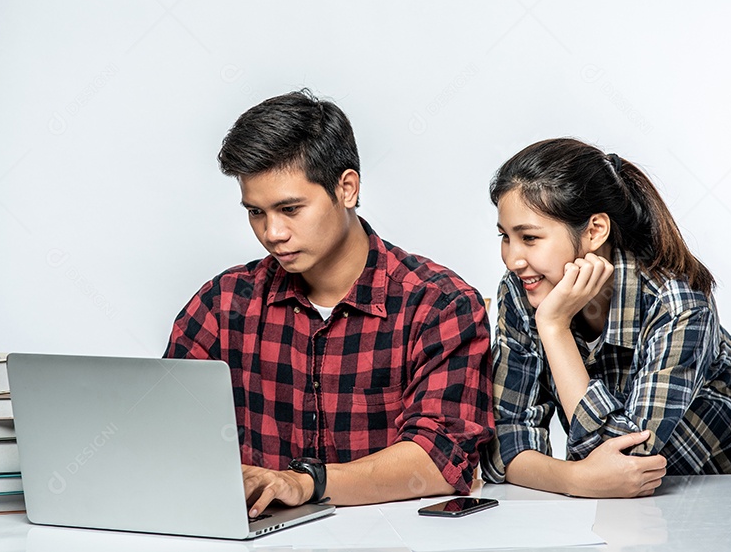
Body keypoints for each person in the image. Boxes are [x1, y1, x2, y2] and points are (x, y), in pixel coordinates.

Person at [165, 90, 494, 518]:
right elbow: (165, 436)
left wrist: (305, 483)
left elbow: (441, 460)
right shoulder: (222, 304)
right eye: (256, 212)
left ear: (347, 188)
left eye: (290, 208)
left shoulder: (439, 304)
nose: (272, 233)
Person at [483, 138, 731, 498]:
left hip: (722, 497)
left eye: (529, 237)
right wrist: (574, 479)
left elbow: (628, 458)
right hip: (624, 513)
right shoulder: (519, 291)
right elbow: (503, 449)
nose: (512, 259)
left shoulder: (677, 303)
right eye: (505, 237)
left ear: (594, 231)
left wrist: (554, 328)